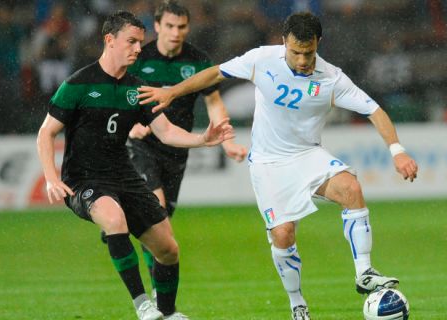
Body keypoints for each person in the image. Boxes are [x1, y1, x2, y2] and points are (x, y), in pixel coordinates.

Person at [136, 12, 419, 320]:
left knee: (351, 188)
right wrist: (172, 91)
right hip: (268, 163)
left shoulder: (332, 78)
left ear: (317, 44)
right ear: (284, 42)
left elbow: (374, 111)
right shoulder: (262, 59)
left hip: (308, 154)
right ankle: (297, 302)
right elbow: (215, 73)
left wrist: (397, 150)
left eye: (308, 53)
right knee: (283, 234)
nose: (301, 60)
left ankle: (364, 271)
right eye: (295, 52)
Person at [36, 11, 234, 320]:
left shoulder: (138, 89)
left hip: (124, 178)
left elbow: (166, 132)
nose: (138, 49)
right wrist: (50, 177)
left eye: (141, 43)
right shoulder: (78, 84)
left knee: (169, 249)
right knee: (115, 220)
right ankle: (143, 304)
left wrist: (202, 140)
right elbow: (46, 132)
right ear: (109, 40)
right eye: (131, 42)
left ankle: (167, 313)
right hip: (84, 181)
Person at [100, 0, 248, 296]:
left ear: (188, 28)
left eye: (181, 27)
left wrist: (228, 141)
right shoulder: (139, 57)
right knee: (156, 215)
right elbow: (111, 92)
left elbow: (213, 102)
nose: (175, 32)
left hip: (176, 149)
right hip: (140, 146)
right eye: (169, 26)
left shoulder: (197, 61)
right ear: (156, 26)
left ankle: (122, 220)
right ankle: (157, 294)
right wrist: (129, 124)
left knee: (157, 227)